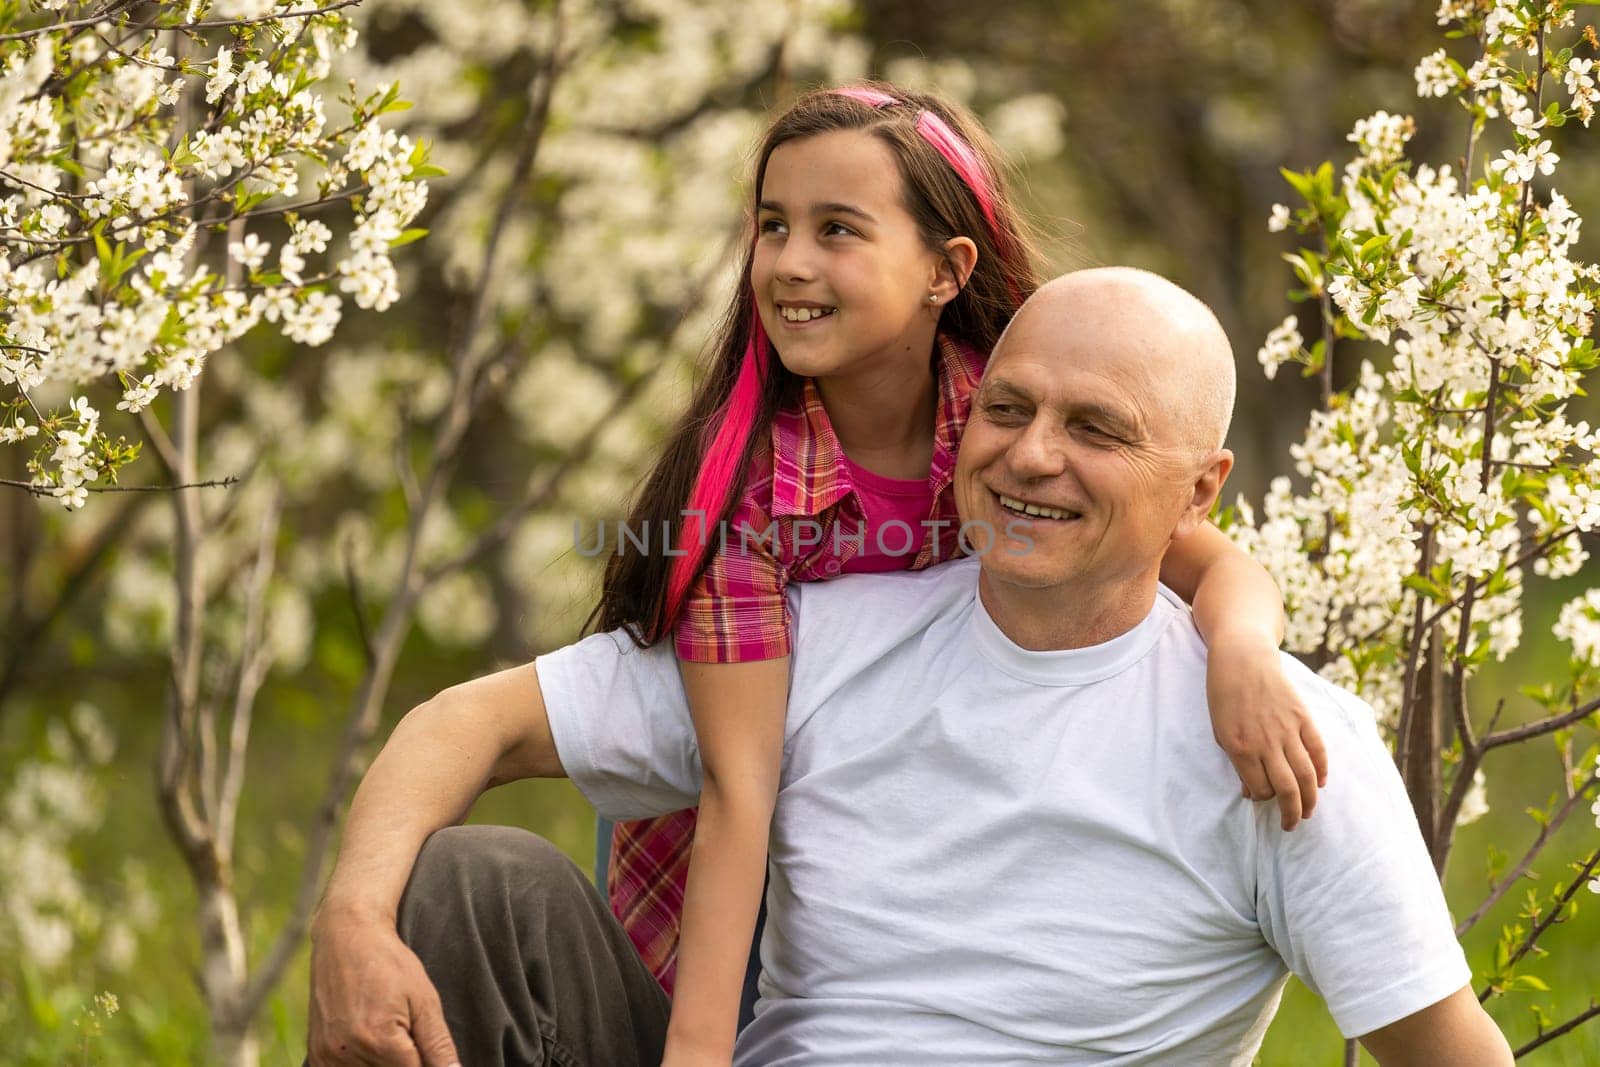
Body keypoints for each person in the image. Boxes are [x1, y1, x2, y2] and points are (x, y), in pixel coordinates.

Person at [306, 268, 1513, 1067]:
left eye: (1093, 429)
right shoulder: (831, 634)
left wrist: (1244, 638)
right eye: (1006, 410)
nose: (1031, 456)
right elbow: (472, 720)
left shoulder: (1274, 736)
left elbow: (1448, 1053)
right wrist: (352, 916)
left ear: (1201, 487)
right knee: (477, 882)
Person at [587, 84, 1322, 1064]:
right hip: (722, 842)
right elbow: (738, 786)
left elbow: (1205, 554)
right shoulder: (749, 496)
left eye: (837, 229)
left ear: (945, 270)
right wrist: (697, 1051)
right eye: (772, 225)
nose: (792, 261)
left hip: (900, 812)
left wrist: (1240, 648)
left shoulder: (1009, 424)